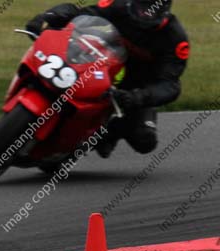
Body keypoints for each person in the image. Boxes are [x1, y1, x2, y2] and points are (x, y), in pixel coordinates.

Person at [26, 0, 189, 157]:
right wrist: (48, 17)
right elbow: (81, 14)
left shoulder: (175, 40)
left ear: (164, 10)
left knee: (145, 140)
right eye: (142, 7)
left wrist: (137, 97)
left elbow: (170, 85)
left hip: (135, 87)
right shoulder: (117, 5)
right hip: (99, 65)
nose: (145, 14)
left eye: (151, 9)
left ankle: (106, 135)